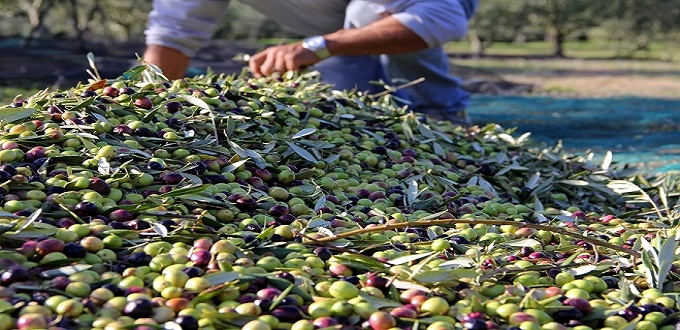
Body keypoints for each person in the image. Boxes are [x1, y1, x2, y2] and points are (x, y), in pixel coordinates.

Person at [143, 0, 478, 125]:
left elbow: (440, 17)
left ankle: (439, 113)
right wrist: (144, 104)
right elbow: (172, 35)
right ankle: (363, 122)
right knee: (349, 117)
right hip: (331, 26)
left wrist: (319, 46)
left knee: (366, 11)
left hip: (421, 4)